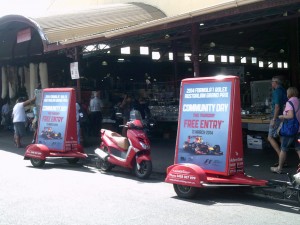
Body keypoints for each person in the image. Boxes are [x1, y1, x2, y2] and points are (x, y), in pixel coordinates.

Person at [271, 87, 300, 174]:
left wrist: (282, 116)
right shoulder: (298, 101)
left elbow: (290, 116)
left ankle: (279, 168)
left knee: (283, 149)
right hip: (297, 128)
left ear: (289, 93)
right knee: (298, 148)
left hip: (289, 130)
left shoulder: (289, 102)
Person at [267, 76, 288, 165]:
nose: (271, 83)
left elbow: (277, 106)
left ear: (276, 82)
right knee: (280, 137)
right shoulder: (284, 90)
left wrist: (274, 119)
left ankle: (281, 158)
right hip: (284, 116)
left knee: (270, 137)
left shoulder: (276, 92)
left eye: (272, 81)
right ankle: (283, 159)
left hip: (277, 117)